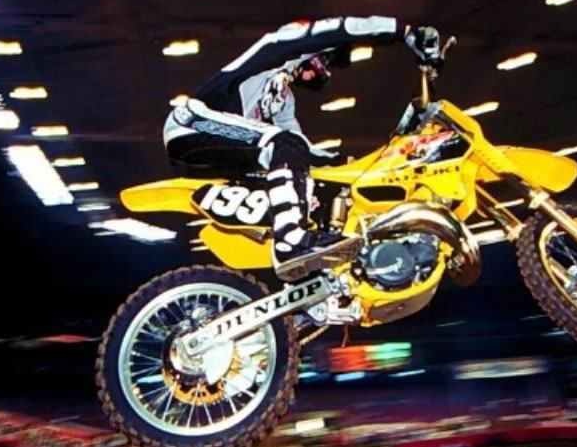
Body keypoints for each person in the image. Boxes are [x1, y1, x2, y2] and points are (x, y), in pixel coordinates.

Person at [164, 16, 442, 279]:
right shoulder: (278, 47)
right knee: (282, 142)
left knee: (295, 162)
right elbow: (338, 29)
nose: (314, 75)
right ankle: (289, 241)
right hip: (192, 124)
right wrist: (403, 31)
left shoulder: (283, 100)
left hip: (219, 151)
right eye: (324, 62)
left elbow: (302, 152)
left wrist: (343, 163)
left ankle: (306, 258)